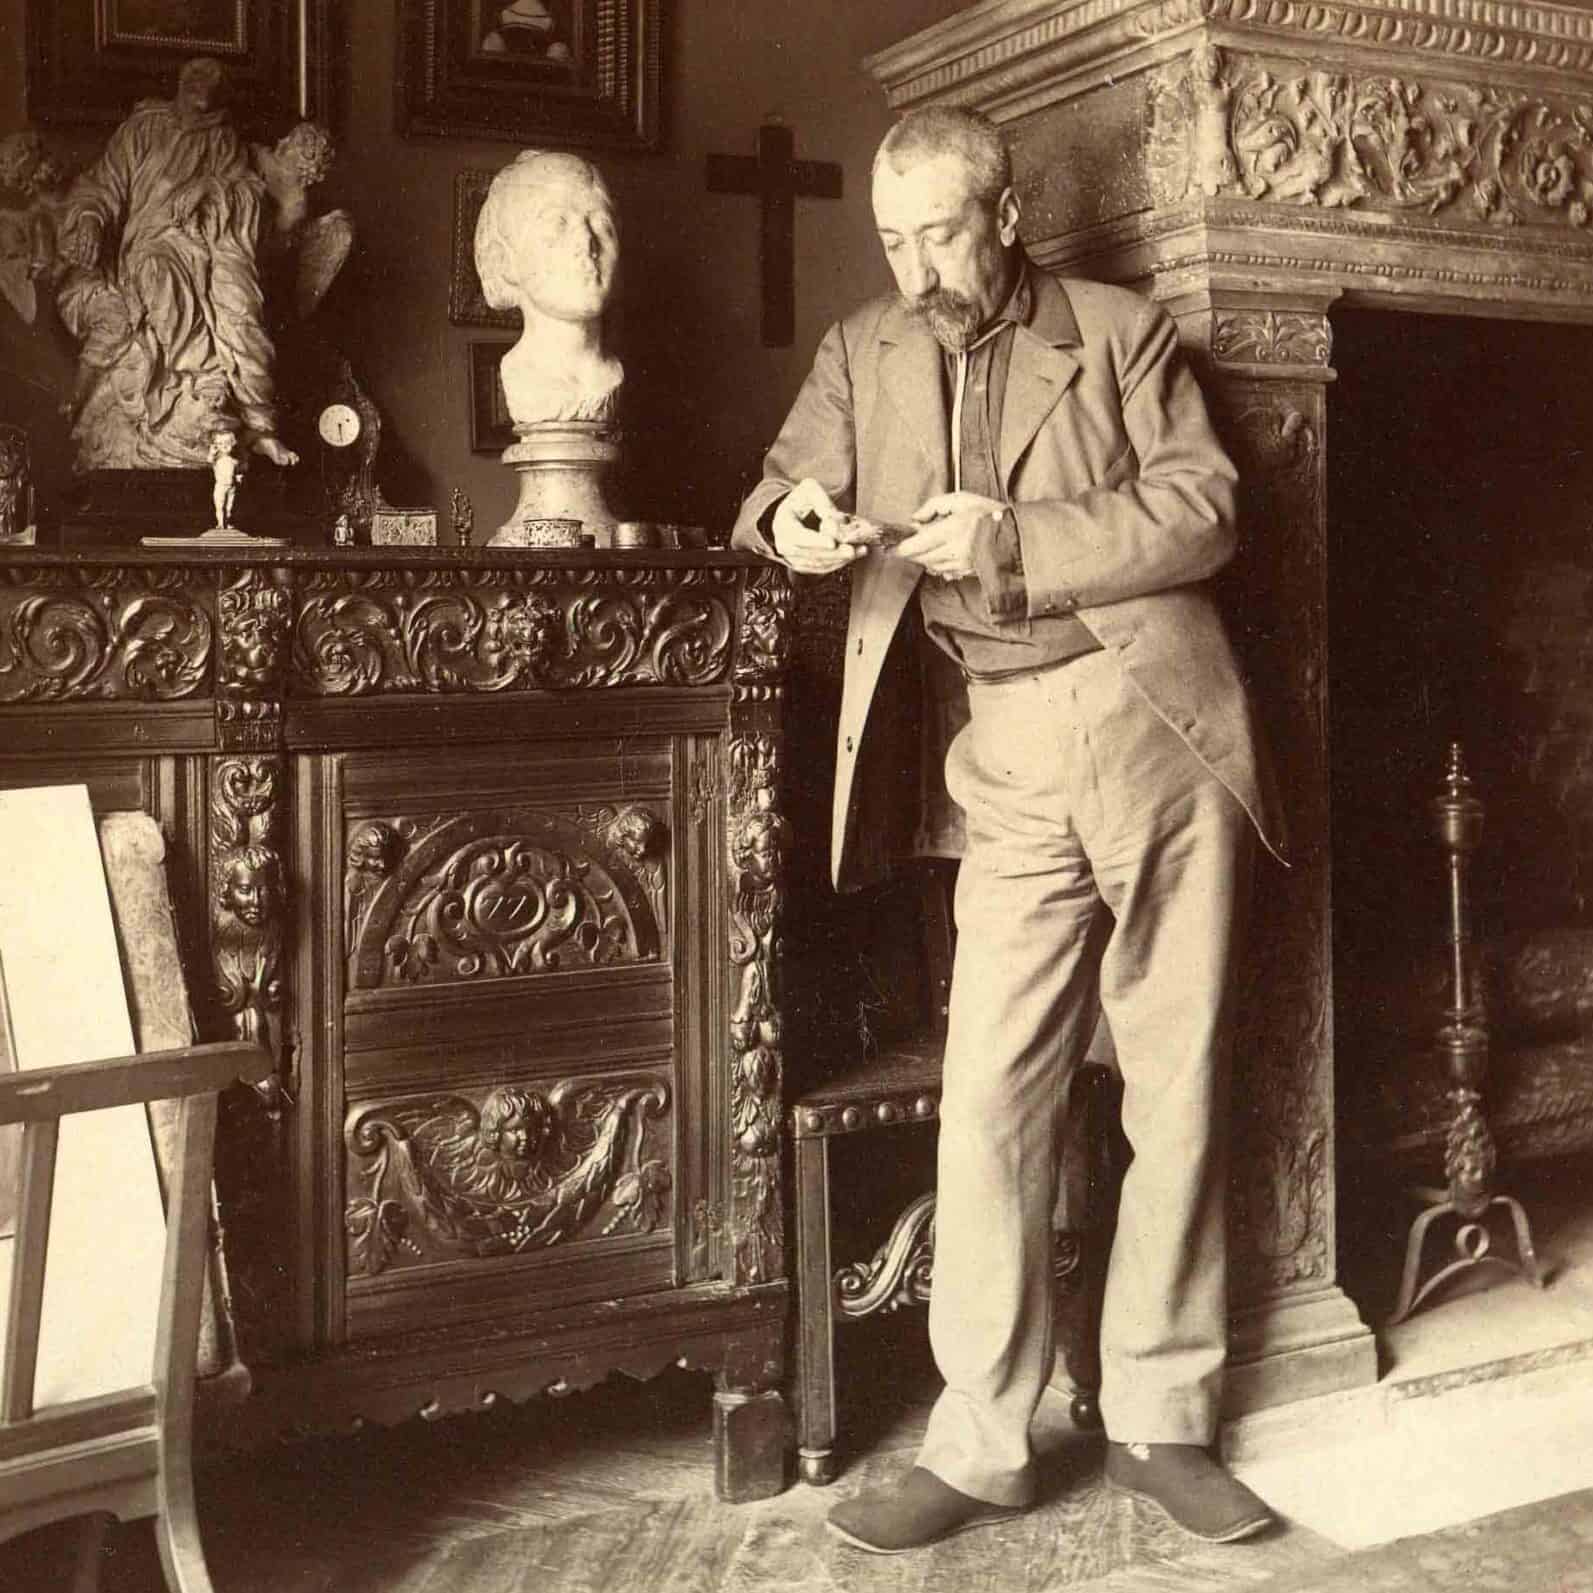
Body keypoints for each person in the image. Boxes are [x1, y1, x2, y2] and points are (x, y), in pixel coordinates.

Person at [731, 106, 1286, 1554]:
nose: (915, 267)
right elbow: (775, 488)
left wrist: (1018, 540)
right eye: (892, 239)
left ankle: (1162, 1419)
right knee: (989, 1090)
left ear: (1007, 215)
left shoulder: (1118, 333)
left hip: (1151, 717)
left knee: (1172, 1082)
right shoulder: (864, 347)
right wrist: (791, 523)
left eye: (939, 234)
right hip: (1004, 744)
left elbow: (1206, 508)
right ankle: (983, 1442)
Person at [57, 56, 299, 470]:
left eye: (212, 79)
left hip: (210, 247)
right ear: (180, 82)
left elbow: (248, 196)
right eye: (195, 75)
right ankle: (203, 387)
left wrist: (210, 190)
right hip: (147, 247)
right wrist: (90, 221)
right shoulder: (143, 129)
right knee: (158, 273)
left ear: (221, 94)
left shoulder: (224, 142)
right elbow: (103, 184)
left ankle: (241, 415)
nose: (202, 84)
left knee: (238, 307)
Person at [473, 150, 622, 428]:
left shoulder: (612, 375)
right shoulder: (523, 378)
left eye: (602, 223)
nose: (587, 241)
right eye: (558, 223)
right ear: (505, 261)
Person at [209, 426, 241, 528]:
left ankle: (227, 522)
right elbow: (209, 460)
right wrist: (211, 452)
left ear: (233, 444)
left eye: (228, 443)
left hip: (232, 487)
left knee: (229, 507)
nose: (224, 446)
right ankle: (220, 524)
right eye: (220, 443)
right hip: (220, 487)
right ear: (215, 445)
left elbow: (235, 471)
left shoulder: (234, 460)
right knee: (220, 506)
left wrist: (237, 477)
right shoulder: (217, 459)